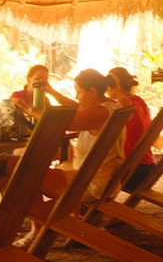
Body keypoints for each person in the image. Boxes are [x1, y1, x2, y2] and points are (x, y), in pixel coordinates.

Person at [35, 68, 126, 204]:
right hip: (106, 181)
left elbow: (61, 124)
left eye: (78, 92)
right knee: (26, 176)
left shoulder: (99, 113)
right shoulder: (112, 106)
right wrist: (51, 91)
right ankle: (42, 223)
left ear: (92, 92)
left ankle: (42, 220)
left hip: (90, 184)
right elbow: (77, 107)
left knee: (27, 179)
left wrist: (29, 110)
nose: (76, 97)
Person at [107, 67, 156, 193]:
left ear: (115, 86)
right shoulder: (139, 101)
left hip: (132, 173)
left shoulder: (122, 104)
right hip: (147, 169)